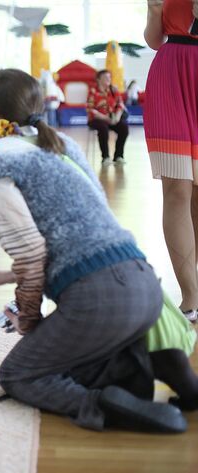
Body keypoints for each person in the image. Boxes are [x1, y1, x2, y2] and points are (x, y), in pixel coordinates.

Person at [0, 68, 196, 433]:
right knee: (79, 354)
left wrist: (29, 319)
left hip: (102, 297)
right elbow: (87, 224)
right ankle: (164, 364)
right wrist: (13, 276)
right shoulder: (59, 144)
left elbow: (28, 251)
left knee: (18, 374)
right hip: (145, 285)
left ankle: (105, 406)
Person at [144, 0, 198, 322]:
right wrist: (153, 11)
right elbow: (154, 39)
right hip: (170, 75)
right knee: (177, 188)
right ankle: (190, 297)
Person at [87, 69, 129, 166]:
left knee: (124, 127)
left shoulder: (113, 90)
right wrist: (107, 119)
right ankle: (105, 157)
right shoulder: (93, 91)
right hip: (97, 119)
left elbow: (120, 105)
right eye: (105, 77)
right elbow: (91, 110)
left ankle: (118, 156)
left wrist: (117, 117)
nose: (108, 79)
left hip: (113, 118)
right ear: (98, 79)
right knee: (103, 128)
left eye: (109, 77)